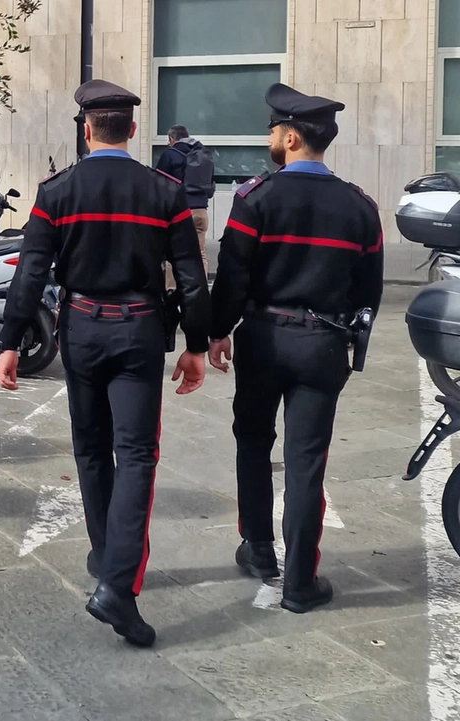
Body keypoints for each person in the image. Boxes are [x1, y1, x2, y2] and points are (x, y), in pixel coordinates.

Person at [0, 79, 211, 647]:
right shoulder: (164, 192)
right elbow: (191, 276)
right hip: (139, 330)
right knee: (137, 454)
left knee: (90, 448)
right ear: (133, 131)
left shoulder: (56, 192)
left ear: (86, 129)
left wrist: (11, 340)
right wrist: (196, 343)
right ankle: (118, 582)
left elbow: (31, 273)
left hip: (82, 329)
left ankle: (104, 556)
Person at [208, 83, 383, 614]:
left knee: (253, 442)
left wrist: (216, 332)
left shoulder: (254, 199)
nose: (269, 139)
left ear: (288, 136)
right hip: (323, 343)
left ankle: (259, 548)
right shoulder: (359, 207)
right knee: (307, 461)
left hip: (262, 338)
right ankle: (300, 582)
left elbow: (233, 278)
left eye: (271, 131)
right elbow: (368, 291)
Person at [156, 125, 213, 289]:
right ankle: (201, 290)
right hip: (201, 211)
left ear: (172, 139)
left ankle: (171, 290)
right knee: (200, 252)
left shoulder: (170, 155)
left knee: (173, 253)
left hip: (178, 212)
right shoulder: (203, 154)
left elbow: (159, 183)